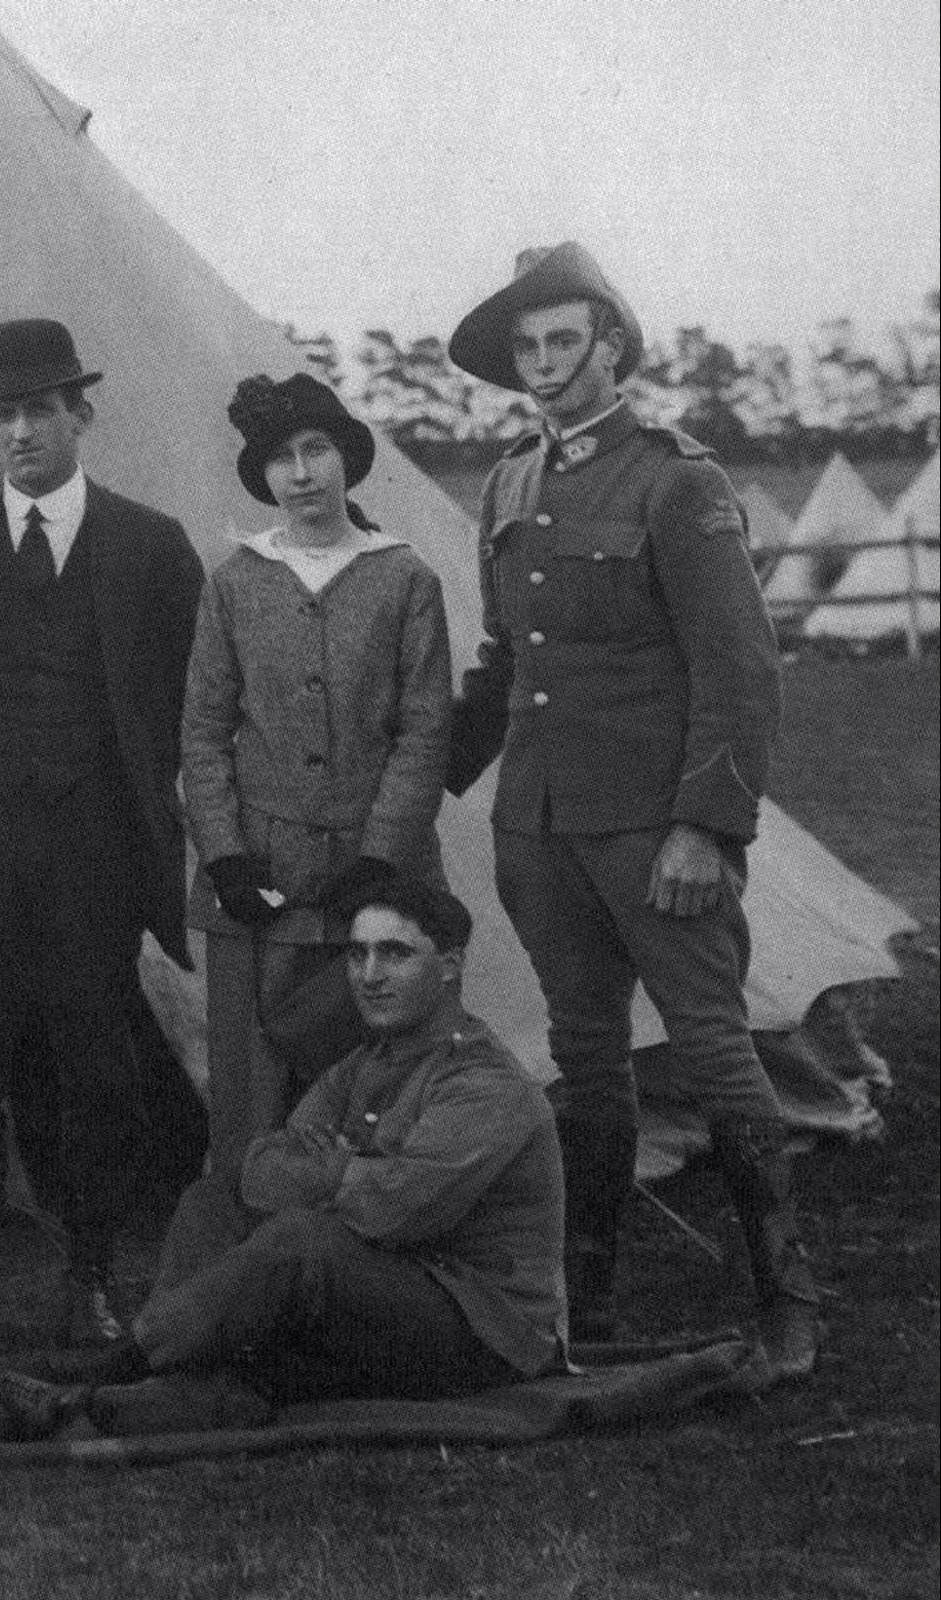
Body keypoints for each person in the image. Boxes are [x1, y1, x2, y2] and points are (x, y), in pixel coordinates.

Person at [444, 243, 817, 1387]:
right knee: (583, 1052)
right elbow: (505, 661)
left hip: (654, 831)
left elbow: (738, 666)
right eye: (525, 345)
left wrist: (706, 825)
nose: (541, 362)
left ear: (609, 347)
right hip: (538, 828)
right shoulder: (507, 482)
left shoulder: (674, 480)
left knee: (709, 1044)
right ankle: (589, 1292)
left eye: (563, 339)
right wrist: (421, 773)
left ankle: (786, 1301)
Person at [0, 881, 564, 1438]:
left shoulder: (484, 1081)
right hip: (385, 1289)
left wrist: (331, 1172)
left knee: (302, 1242)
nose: (369, 976)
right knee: (213, 1200)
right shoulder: (362, 1065)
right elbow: (260, 1172)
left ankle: (118, 1368)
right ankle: (178, 1384)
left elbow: (397, 1212)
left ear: (449, 966)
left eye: (395, 954)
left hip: (484, 1327)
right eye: (357, 954)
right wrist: (350, 1175)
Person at [0, 318, 203, 1346]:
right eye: (1, 414)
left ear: (81, 415)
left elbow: (183, 701)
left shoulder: (151, 544)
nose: (19, 432)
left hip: (95, 847)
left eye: (39, 410)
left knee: (96, 1069)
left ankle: (89, 1268)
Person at [157, 373, 453, 1288]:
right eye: (281, 459)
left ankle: (372, 1275)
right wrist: (225, 855)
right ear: (263, 477)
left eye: (316, 451)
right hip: (258, 879)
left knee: (379, 1084)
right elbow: (202, 732)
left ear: (346, 460)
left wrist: (380, 858)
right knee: (249, 1101)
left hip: (375, 879)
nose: (301, 474)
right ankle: (243, 1280)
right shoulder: (235, 582)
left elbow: (424, 731)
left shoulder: (403, 577)